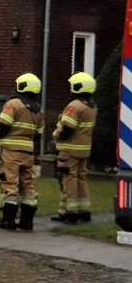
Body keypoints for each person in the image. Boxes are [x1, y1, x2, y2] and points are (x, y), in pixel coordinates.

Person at [0, 73, 44, 231]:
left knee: (11, 184)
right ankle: (27, 222)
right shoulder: (38, 110)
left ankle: (8, 220)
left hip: (11, 152)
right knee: (27, 185)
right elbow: (39, 133)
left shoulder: (13, 104)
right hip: (28, 153)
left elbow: (3, 125)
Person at [52, 72, 97, 224]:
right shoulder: (92, 106)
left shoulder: (74, 106)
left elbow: (67, 129)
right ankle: (84, 211)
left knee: (69, 179)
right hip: (84, 149)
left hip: (69, 150)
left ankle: (69, 212)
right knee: (81, 178)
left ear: (78, 87)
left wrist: (56, 135)